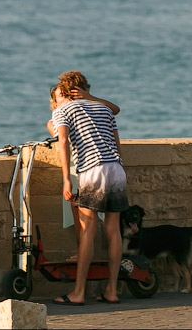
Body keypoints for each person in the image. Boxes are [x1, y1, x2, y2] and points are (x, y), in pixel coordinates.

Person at [49, 70, 129, 306]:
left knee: (87, 230)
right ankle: (112, 291)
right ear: (86, 88)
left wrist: (66, 179)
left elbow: (62, 142)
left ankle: (78, 293)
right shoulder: (104, 109)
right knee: (113, 230)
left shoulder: (62, 110)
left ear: (64, 91)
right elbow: (116, 140)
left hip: (92, 170)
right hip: (116, 169)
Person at [46, 81, 121, 262]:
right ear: (55, 104)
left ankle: (86, 258)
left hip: (91, 167)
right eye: (61, 96)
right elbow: (62, 138)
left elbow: (115, 110)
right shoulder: (55, 119)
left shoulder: (95, 111)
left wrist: (88, 98)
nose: (68, 99)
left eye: (69, 94)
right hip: (76, 167)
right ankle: (83, 253)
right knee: (78, 213)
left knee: (94, 220)